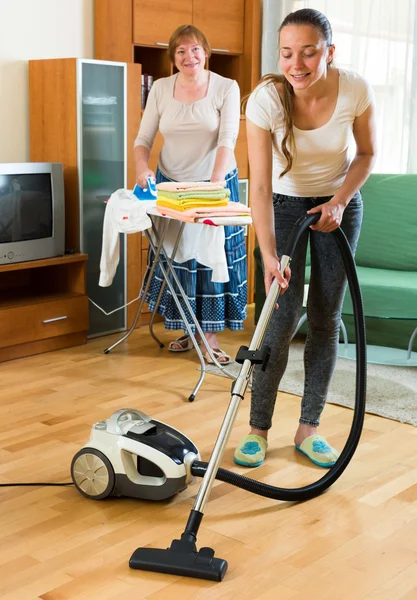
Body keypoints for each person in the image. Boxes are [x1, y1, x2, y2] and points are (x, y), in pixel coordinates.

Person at [234, 8, 376, 468]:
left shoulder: (354, 88)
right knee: (280, 316)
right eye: (288, 53)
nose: (297, 64)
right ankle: (258, 429)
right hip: (283, 204)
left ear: (329, 53)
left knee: (324, 316)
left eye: (309, 52)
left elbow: (367, 153)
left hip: (339, 204)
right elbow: (257, 185)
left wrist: (338, 200)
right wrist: (269, 253)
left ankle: (308, 427)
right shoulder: (266, 100)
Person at [134, 24, 247, 365]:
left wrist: (212, 187)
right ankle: (188, 330)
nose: (189, 56)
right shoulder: (161, 89)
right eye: (181, 51)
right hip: (171, 185)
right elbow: (143, 140)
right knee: (179, 259)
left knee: (211, 261)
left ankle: (208, 338)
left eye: (195, 49)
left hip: (214, 183)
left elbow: (227, 139)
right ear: (173, 58)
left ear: (206, 53)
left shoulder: (225, 87)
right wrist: (143, 170)